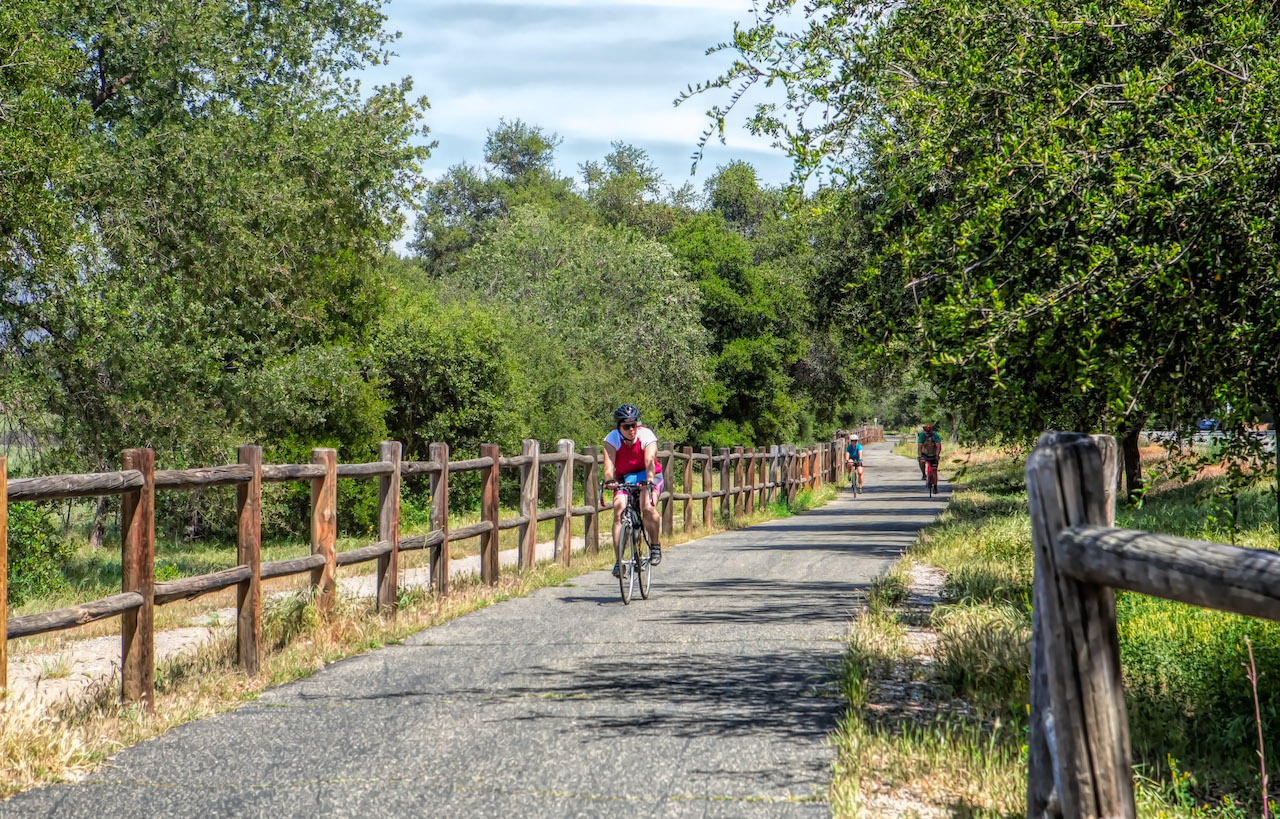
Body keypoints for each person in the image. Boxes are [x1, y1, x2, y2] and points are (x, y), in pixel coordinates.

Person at [601, 404, 663, 576]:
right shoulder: (612, 439)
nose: (631, 429)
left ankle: (655, 546)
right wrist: (609, 480)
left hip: (649, 476)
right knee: (619, 509)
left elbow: (650, 462)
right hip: (625, 477)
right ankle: (618, 561)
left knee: (647, 507)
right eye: (626, 426)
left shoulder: (646, 435)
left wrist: (649, 480)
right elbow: (608, 467)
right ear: (618, 427)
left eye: (634, 424)